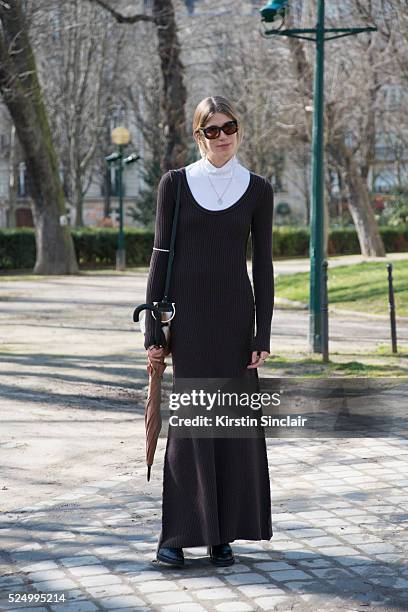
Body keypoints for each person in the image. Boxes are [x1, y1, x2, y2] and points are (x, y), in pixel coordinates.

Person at [144, 95, 274, 568]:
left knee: (233, 427)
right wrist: (153, 331)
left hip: (237, 321)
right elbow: (161, 256)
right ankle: (176, 535)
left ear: (239, 130)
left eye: (228, 127)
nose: (222, 137)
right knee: (194, 425)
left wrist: (263, 335)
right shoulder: (175, 185)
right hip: (190, 321)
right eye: (211, 130)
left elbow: (262, 264)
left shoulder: (258, 189)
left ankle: (224, 535)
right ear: (198, 136)